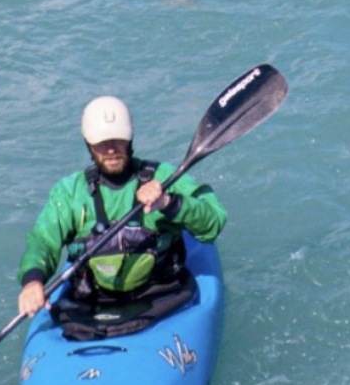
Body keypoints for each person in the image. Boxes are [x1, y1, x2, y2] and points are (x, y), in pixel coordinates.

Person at [16, 96, 227, 337]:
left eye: (118, 141)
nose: (111, 150)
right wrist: (33, 281)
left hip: (161, 295)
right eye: (101, 143)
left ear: (129, 140)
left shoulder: (164, 177)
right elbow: (42, 240)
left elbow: (214, 221)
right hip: (95, 300)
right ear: (89, 145)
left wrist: (167, 202)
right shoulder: (71, 192)